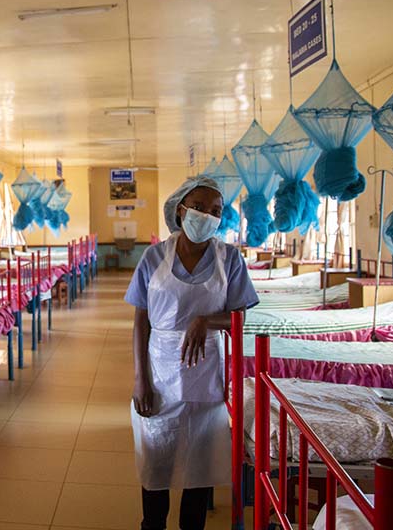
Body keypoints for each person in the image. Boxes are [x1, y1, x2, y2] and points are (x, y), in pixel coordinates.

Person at [124, 175, 258, 530]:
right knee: (156, 466)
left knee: (199, 471)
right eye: (198, 207)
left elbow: (240, 314)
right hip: (160, 372)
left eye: (215, 210)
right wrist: (141, 380)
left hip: (206, 373)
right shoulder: (154, 257)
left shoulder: (228, 258)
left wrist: (208, 321)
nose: (206, 215)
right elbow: (141, 321)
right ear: (180, 210)